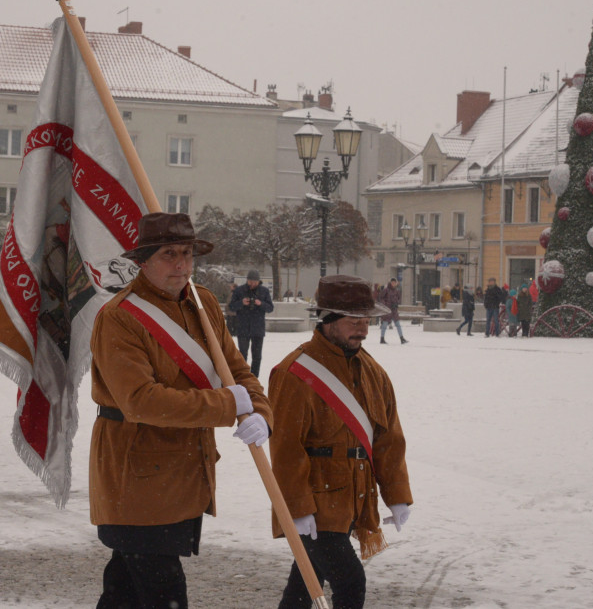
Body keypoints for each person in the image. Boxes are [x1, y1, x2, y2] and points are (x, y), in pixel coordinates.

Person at [89, 212, 272, 608]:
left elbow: (236, 369)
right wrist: (228, 405)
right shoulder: (119, 317)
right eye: (168, 255)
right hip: (137, 475)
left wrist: (259, 410)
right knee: (163, 592)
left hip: (184, 470)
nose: (181, 265)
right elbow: (141, 400)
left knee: (125, 592)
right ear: (143, 261)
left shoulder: (202, 303)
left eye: (187, 254)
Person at [269, 275, 413, 609]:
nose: (363, 330)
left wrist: (397, 495)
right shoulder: (295, 372)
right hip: (316, 503)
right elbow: (286, 448)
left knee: (304, 584)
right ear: (328, 320)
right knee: (350, 581)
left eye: (366, 321)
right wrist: (297, 507)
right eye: (353, 321)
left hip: (355, 497)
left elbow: (389, 438)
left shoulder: (373, 371)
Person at [228, 269, 275, 377]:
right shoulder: (239, 290)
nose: (252, 284)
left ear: (259, 281)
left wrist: (261, 303)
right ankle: (243, 376)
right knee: (242, 355)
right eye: (250, 281)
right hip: (243, 328)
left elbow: (270, 308)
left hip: (258, 329)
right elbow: (231, 306)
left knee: (257, 356)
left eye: (255, 282)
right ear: (247, 280)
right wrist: (241, 303)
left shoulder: (264, 291)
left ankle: (254, 377)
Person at [377, 277, 408, 344]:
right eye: (392, 282)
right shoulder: (386, 290)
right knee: (384, 325)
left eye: (394, 282)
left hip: (394, 310)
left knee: (398, 324)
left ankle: (402, 338)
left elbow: (399, 299)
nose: (393, 283)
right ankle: (382, 339)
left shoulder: (397, 290)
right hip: (387, 310)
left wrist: (396, 304)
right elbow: (381, 298)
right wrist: (385, 305)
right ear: (390, 282)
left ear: (396, 283)